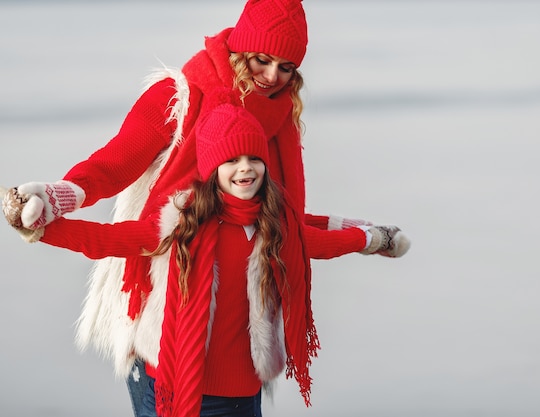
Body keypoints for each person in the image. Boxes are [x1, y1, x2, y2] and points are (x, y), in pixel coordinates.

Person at [2, 0, 410, 415]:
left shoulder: (278, 117)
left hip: (244, 329)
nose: (272, 77)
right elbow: (114, 165)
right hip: (169, 311)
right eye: (262, 60)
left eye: (286, 67)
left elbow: (277, 216)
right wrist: (56, 199)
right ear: (239, 51)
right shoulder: (178, 97)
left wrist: (365, 234)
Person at [9, 104, 326, 417]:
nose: (245, 168)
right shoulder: (182, 222)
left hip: (244, 398)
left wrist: (371, 239)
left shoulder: (273, 226)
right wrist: (43, 230)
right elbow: (110, 240)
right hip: (177, 392)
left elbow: (320, 241)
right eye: (232, 159)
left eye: (254, 158)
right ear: (213, 167)